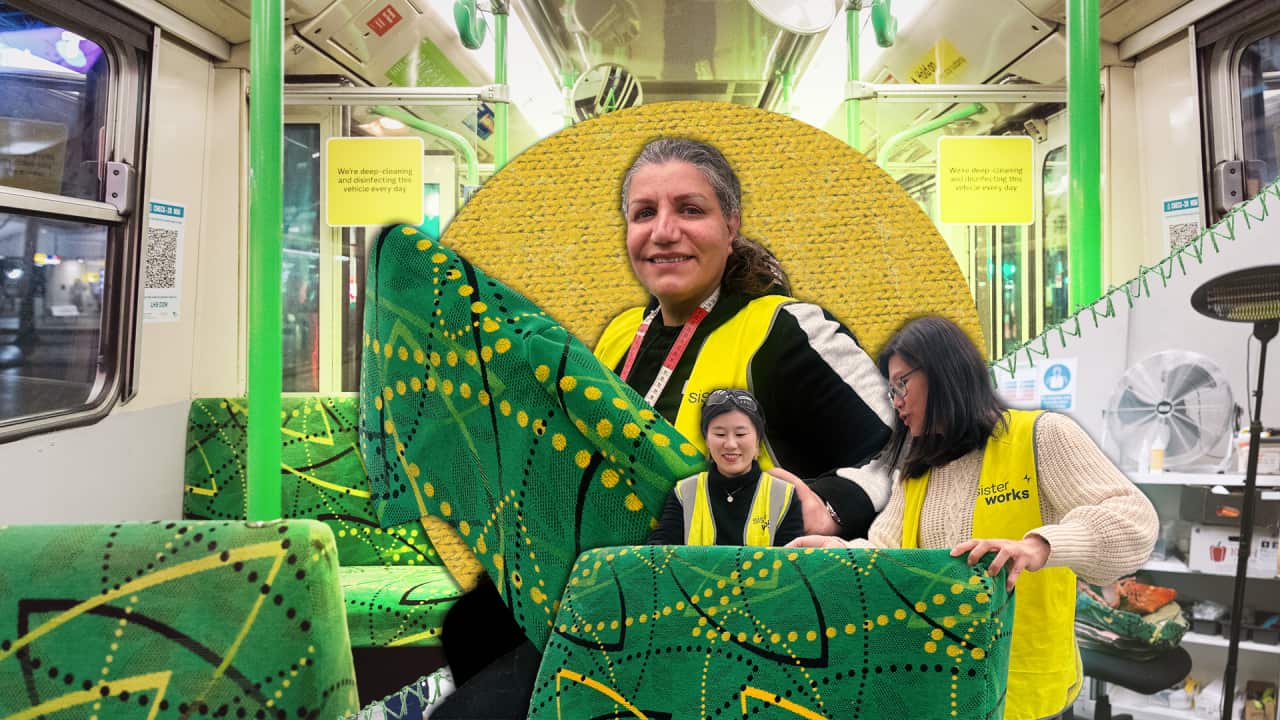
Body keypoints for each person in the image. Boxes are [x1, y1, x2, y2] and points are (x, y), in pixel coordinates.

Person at [433, 138, 896, 718]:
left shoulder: (783, 330)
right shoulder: (621, 334)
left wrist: (832, 506)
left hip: (719, 606)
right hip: (612, 585)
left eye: (690, 210)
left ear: (731, 226)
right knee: (472, 623)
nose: (664, 231)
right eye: (645, 213)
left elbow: (901, 446)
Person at [788, 316, 1159, 720]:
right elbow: (886, 557)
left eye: (901, 384)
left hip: (1023, 689)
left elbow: (1133, 521)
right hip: (942, 687)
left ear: (944, 370)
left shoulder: (1040, 436)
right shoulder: (917, 473)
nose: (894, 401)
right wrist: (839, 551)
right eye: (889, 389)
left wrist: (1039, 547)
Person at [648, 389, 804, 547]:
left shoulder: (783, 496)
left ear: (758, 441)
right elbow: (658, 552)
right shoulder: (684, 493)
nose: (730, 444)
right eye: (720, 434)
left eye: (741, 434)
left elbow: (791, 563)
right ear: (707, 441)